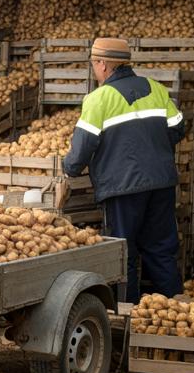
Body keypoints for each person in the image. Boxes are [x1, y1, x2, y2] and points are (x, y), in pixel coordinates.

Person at [62, 37, 186, 301]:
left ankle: (127, 321)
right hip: (161, 184)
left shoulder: (99, 98)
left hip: (122, 189)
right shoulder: (156, 89)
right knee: (161, 249)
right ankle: (176, 312)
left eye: (94, 64)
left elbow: (83, 147)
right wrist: (152, 149)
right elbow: (177, 128)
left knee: (123, 253)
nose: (95, 70)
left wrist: (68, 168)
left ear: (104, 65)